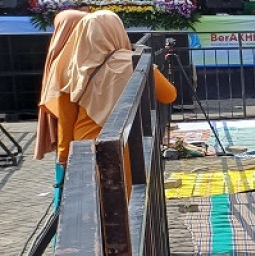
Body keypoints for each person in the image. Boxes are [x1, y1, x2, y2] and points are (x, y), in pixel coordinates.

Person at [54, 11, 176, 169]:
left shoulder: (71, 68)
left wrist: (63, 156)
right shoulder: (134, 62)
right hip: (126, 146)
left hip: (85, 148)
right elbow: (169, 95)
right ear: (118, 31)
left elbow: (66, 119)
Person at [35, 10, 87, 203]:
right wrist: (64, 158)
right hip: (81, 145)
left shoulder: (57, 58)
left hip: (74, 145)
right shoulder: (73, 62)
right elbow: (66, 116)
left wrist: (62, 157)